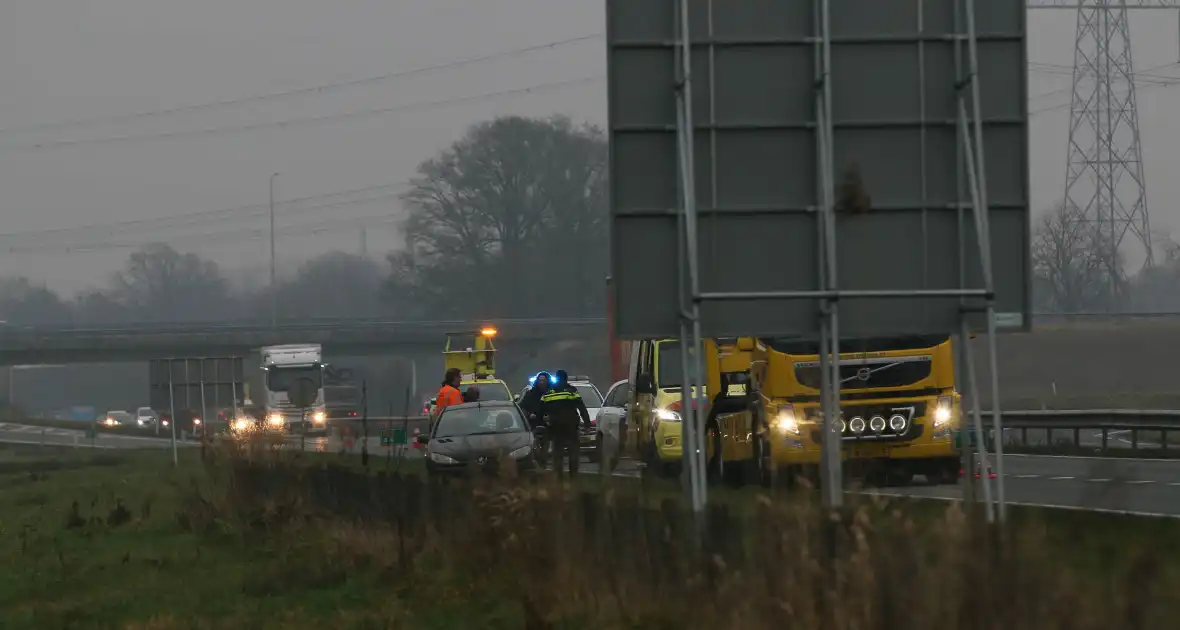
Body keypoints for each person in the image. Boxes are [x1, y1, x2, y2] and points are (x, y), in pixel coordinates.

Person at [538, 369, 591, 478]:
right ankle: (573, 475)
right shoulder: (571, 391)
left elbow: (541, 409)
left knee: (558, 452)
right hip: (571, 425)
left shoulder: (549, 392)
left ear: (556, 378)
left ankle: (559, 476)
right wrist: (587, 423)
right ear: (566, 378)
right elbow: (581, 407)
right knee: (573, 451)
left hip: (556, 426)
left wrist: (543, 423)